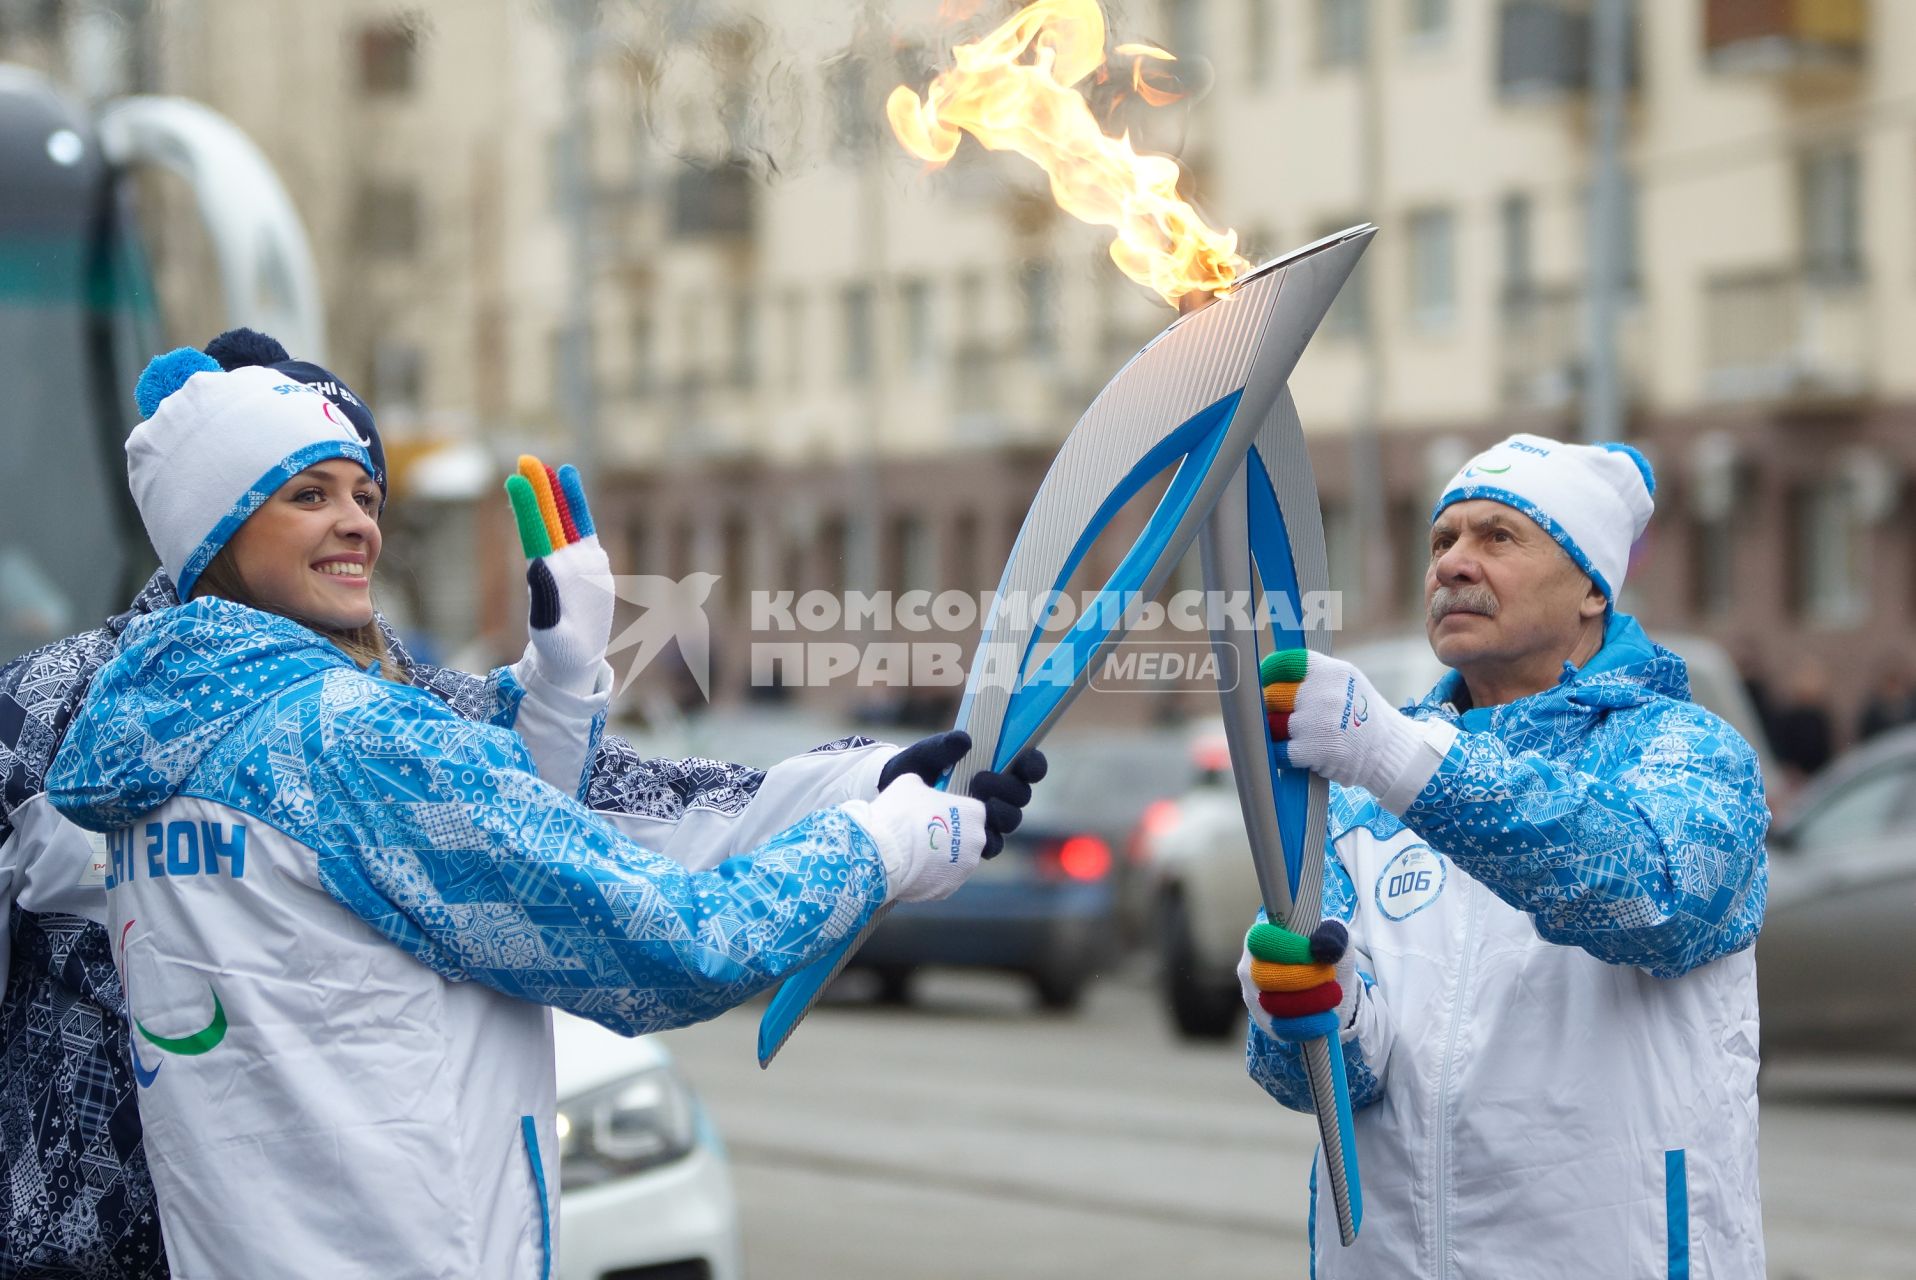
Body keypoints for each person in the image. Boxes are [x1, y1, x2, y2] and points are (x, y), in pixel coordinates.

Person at [4, 335, 1042, 1277]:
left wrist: (565, 688)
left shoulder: (156, 734)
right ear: (219, 529)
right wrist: (886, 838)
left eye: (365, 494)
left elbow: (492, 859)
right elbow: (672, 943)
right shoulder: (343, 740)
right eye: (308, 495)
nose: (357, 524)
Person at [1237, 434, 1768, 1277]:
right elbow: (1327, 1085)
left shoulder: (1687, 750)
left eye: (1498, 537)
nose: (1453, 564)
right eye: (1442, 541)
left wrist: (1399, 757)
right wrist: (1304, 1009)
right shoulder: (1361, 797)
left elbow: (1654, 900)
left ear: (1593, 587)